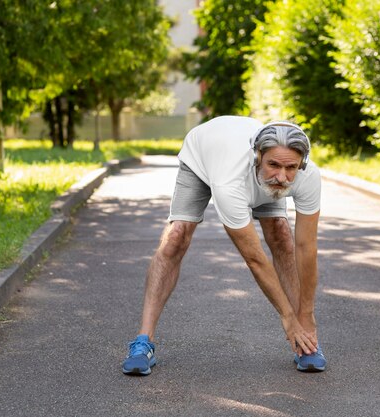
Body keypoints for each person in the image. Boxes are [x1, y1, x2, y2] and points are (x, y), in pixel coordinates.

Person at [122, 115, 326, 375]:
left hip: (245, 172)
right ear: (258, 156)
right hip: (202, 157)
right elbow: (254, 258)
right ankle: (143, 342)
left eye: (291, 168)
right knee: (176, 238)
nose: (282, 177)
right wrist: (287, 317)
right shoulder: (230, 180)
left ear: (301, 164)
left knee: (282, 236)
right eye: (273, 164)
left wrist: (305, 317)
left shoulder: (307, 176)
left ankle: (306, 341)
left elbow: (306, 248)